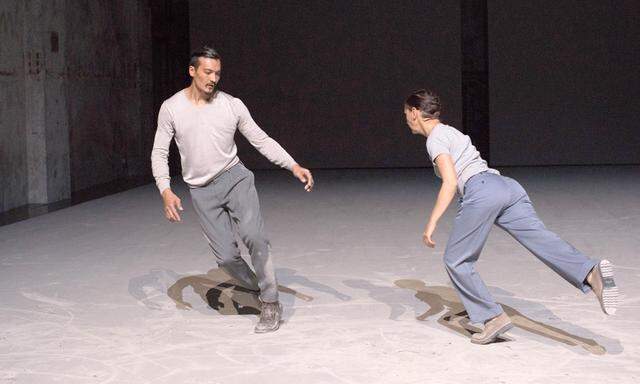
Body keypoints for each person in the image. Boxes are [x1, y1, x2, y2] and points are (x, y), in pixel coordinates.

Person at [403, 89, 618, 344]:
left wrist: (431, 223)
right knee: (539, 238)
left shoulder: (435, 139)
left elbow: (450, 182)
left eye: (406, 113)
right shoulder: (451, 132)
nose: (405, 118)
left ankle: (492, 317)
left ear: (415, 112)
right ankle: (590, 272)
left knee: (456, 260)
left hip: (482, 191)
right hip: (506, 187)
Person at [151, 46, 314, 333]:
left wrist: (293, 165)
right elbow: (159, 152)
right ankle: (258, 287)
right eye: (207, 72)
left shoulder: (232, 104)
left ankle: (271, 301)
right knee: (226, 257)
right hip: (201, 191)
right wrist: (165, 190)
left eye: (217, 73)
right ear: (192, 71)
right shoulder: (172, 108)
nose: (213, 78)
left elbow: (261, 139)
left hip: (235, 178)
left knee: (255, 237)